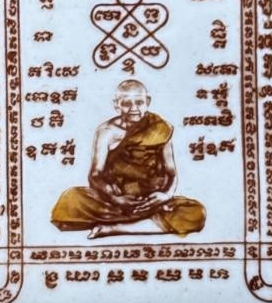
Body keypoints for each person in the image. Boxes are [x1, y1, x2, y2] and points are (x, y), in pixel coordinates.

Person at [51, 80, 206, 239]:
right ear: (116, 104)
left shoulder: (160, 128)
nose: (133, 109)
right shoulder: (106, 131)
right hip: (115, 201)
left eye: (139, 102)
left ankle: (115, 228)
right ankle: (147, 223)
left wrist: (166, 195)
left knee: (196, 213)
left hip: (149, 200)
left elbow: (171, 172)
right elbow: (95, 174)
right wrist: (115, 198)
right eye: (126, 103)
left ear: (148, 101)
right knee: (70, 199)